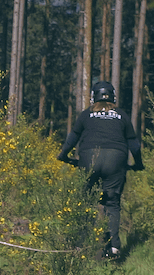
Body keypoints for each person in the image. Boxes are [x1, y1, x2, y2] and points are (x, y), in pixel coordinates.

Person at [59, 80, 145, 259]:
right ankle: (113, 248)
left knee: (86, 201)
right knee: (112, 203)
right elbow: (134, 144)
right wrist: (138, 163)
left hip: (89, 157)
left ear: (93, 97)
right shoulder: (121, 115)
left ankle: (82, 245)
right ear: (113, 97)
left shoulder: (86, 114)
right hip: (116, 159)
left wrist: (63, 155)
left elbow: (73, 137)